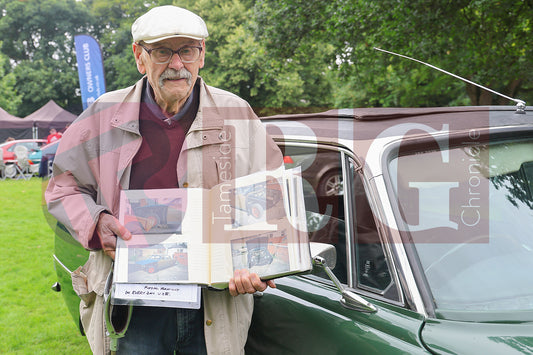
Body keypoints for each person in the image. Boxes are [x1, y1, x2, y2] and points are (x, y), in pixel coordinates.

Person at [45, 5, 283, 355]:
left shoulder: (237, 114)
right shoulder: (101, 115)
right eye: (162, 51)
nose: (176, 64)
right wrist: (96, 222)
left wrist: (261, 260)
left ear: (201, 55)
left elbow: (270, 193)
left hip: (214, 307)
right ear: (139, 57)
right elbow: (63, 186)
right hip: (133, 307)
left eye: (187, 50)